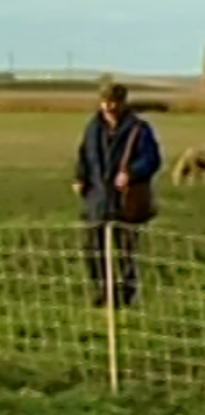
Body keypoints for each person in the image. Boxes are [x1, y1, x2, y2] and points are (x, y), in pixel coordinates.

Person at [73, 83, 162, 308]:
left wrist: (132, 173)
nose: (109, 107)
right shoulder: (93, 127)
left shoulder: (139, 129)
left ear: (123, 103)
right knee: (93, 249)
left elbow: (152, 159)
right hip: (97, 198)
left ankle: (127, 293)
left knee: (126, 251)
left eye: (114, 102)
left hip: (125, 200)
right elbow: (84, 154)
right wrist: (80, 177)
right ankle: (103, 292)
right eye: (105, 102)